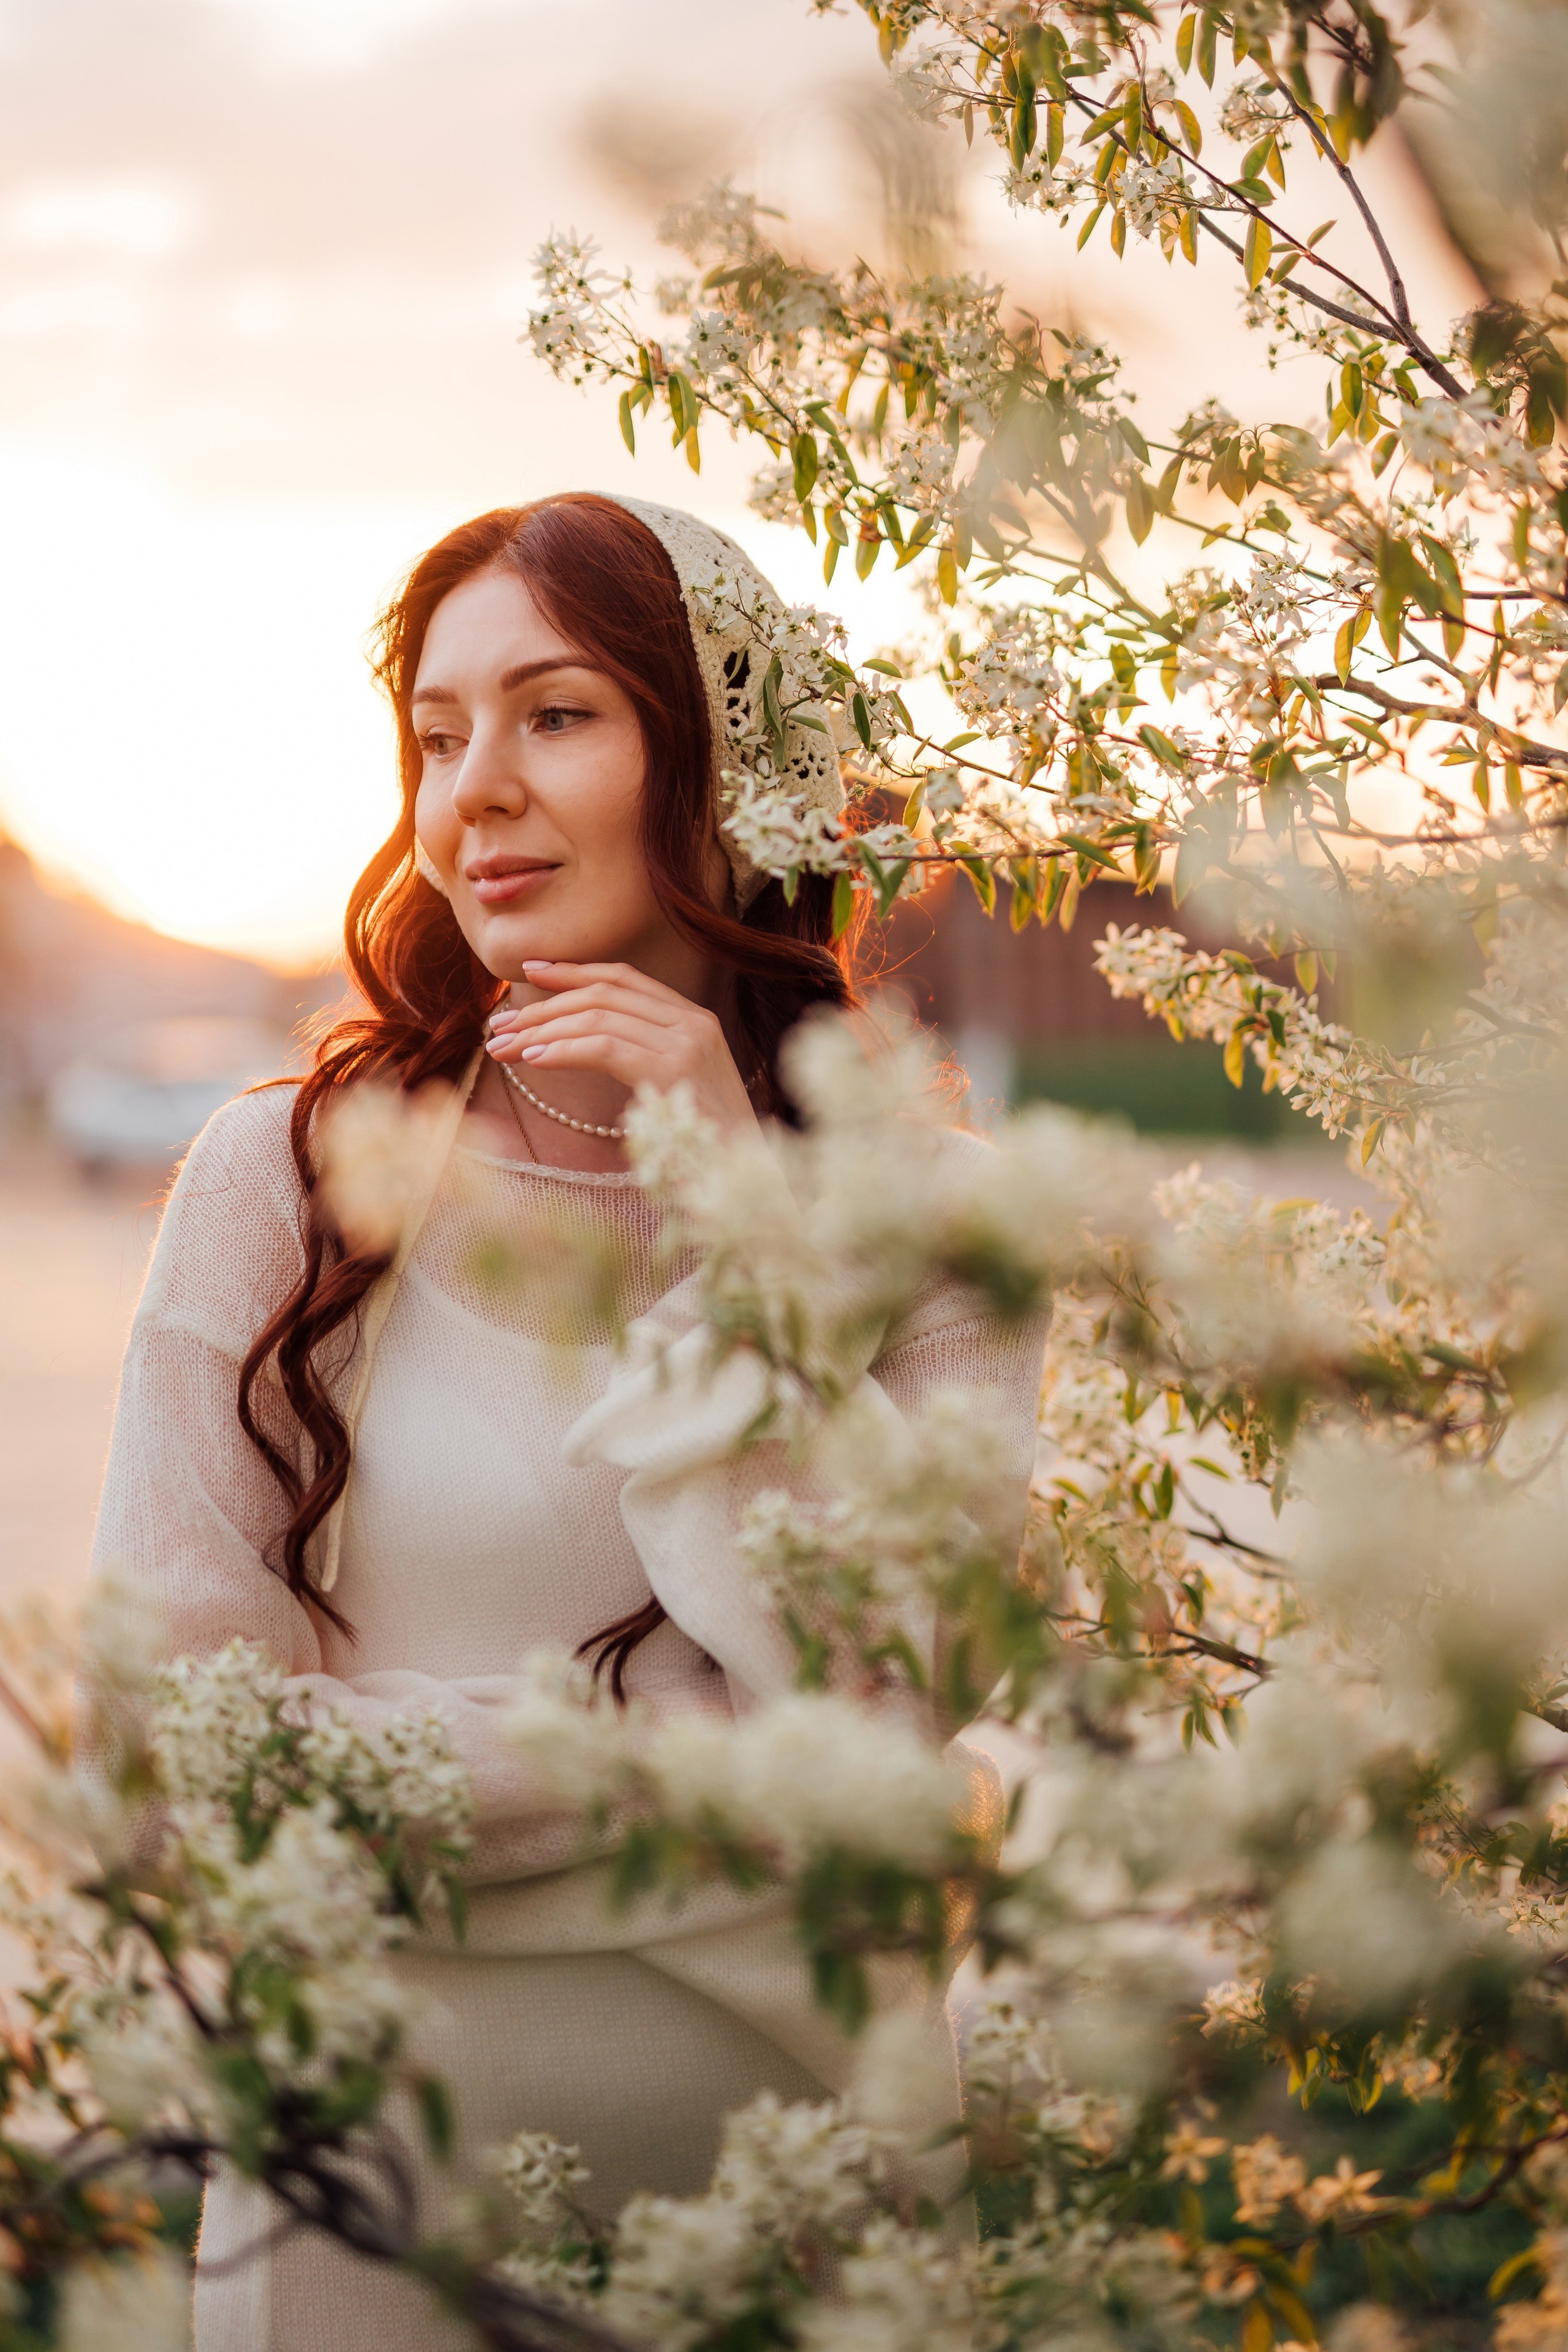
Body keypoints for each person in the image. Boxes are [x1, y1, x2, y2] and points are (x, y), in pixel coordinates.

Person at [82, 492, 1047, 2351]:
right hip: (370, 2189)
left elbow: (885, 1706)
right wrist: (693, 1752)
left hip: (805, 2186)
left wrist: (721, 1200)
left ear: (724, 761)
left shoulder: (938, 1221)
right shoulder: (278, 1183)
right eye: (438, 740)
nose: (476, 792)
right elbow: (184, 1749)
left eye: (556, 714)